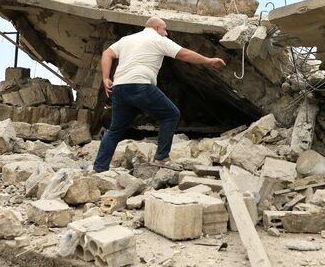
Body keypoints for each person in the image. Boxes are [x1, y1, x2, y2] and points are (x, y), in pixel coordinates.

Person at [93, 17, 226, 172]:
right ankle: (161, 157)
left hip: (119, 87)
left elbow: (106, 53)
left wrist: (105, 78)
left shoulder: (126, 40)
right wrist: (208, 60)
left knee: (115, 129)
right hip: (140, 85)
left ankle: (99, 168)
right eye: (165, 29)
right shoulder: (157, 39)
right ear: (157, 28)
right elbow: (183, 54)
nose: (167, 33)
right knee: (171, 114)